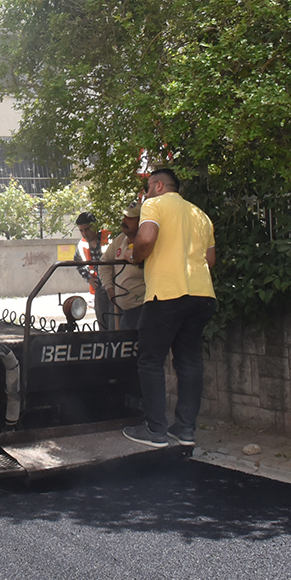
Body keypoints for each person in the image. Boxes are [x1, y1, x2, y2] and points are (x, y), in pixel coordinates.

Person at [123, 169, 217, 448]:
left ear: (159, 186)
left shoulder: (155, 204)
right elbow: (210, 260)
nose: (145, 193)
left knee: (151, 360)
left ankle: (155, 430)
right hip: (202, 296)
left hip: (166, 294)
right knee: (189, 362)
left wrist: (134, 255)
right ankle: (185, 429)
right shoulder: (200, 214)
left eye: (147, 187)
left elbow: (147, 238)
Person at [102, 205, 146, 331]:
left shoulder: (147, 241)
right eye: (124, 216)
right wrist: (109, 289)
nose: (124, 221)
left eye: (130, 218)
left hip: (141, 309)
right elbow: (104, 263)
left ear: (141, 221)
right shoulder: (120, 239)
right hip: (120, 308)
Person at [73, 212, 113, 328]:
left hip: (115, 285)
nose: (84, 234)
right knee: (102, 321)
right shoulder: (82, 245)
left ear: (95, 227)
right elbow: (77, 262)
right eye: (81, 230)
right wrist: (89, 278)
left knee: (114, 322)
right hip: (100, 287)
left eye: (87, 229)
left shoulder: (109, 239)